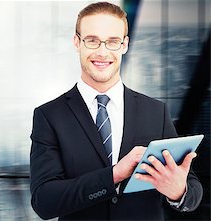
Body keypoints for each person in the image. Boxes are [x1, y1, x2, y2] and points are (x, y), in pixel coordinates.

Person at [29, 2, 203, 220]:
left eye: (112, 42)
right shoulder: (50, 116)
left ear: (125, 45)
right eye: (92, 41)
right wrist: (114, 175)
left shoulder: (155, 112)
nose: (103, 52)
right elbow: (44, 202)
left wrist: (178, 192)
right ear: (77, 42)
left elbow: (192, 189)